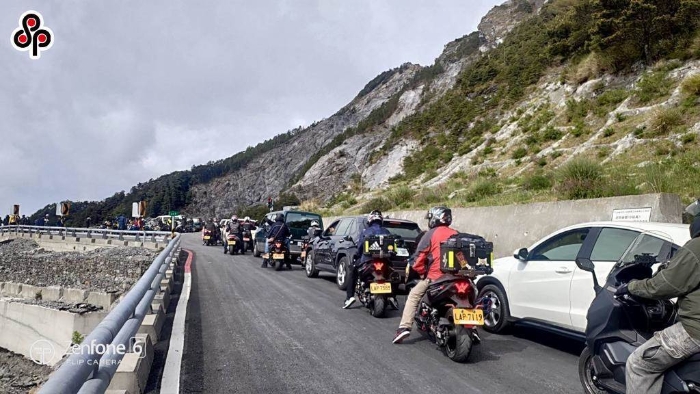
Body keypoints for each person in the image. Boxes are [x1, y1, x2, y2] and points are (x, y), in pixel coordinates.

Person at [618, 200, 700, 394]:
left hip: (694, 330)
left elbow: (664, 286)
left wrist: (631, 287)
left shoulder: (696, 248)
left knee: (638, 364)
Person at [393, 206, 458, 344]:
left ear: (435, 218)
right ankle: (474, 330)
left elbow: (417, 260)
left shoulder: (430, 234)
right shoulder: (457, 233)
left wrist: (423, 274)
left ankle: (404, 327)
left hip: (436, 277)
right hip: (457, 278)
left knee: (413, 296)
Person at [343, 210, 392, 309]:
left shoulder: (366, 232)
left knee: (352, 272)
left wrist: (357, 254)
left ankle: (350, 297)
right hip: (385, 261)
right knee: (391, 274)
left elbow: (360, 247)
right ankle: (392, 297)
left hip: (367, 260)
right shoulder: (386, 231)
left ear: (370, 220)